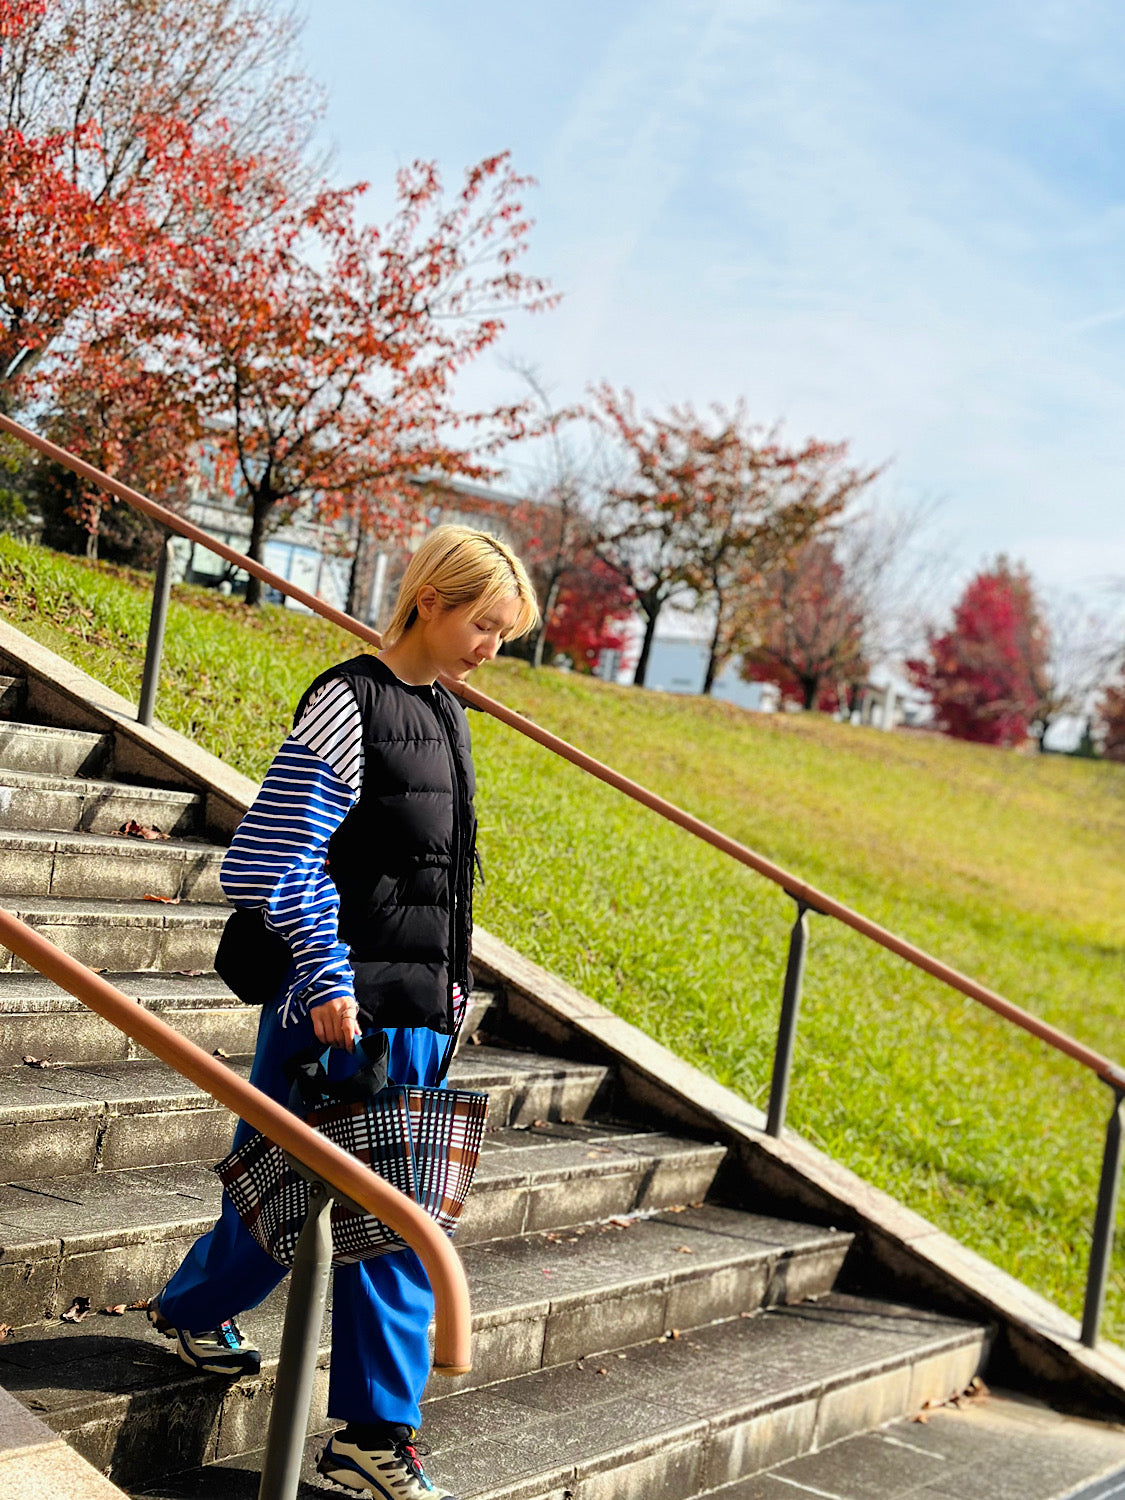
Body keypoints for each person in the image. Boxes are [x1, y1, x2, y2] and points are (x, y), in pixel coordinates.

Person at [147, 525, 540, 1500]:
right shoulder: (346, 703)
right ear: (432, 602)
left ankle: (202, 1313)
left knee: (305, 1201)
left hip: (409, 1016)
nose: (493, 648)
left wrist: (449, 998)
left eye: (504, 633)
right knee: (359, 1217)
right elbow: (267, 860)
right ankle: (372, 1438)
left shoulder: (444, 715)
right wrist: (324, 975)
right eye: (485, 625)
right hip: (332, 1016)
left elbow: (428, 885)